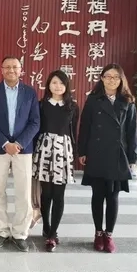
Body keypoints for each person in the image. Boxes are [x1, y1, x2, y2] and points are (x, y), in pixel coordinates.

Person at [78, 63, 137, 253]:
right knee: (97, 195)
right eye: (108, 76)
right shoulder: (93, 100)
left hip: (117, 154)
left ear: (121, 80)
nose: (111, 80)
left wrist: (132, 157)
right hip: (96, 152)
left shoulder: (127, 101)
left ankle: (109, 234)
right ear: (102, 78)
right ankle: (98, 233)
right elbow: (85, 127)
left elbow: (132, 131)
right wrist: (82, 151)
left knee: (113, 196)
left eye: (115, 77)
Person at [0, 56, 40, 252]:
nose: (11, 70)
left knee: (23, 191)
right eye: (7, 67)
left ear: (20, 69)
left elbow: (35, 122)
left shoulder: (29, 92)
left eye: (15, 67)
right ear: (1, 69)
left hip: (23, 149)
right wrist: (5, 143)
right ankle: (2, 231)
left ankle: (20, 233)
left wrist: (19, 143)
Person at [32, 70, 79, 252]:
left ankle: (53, 234)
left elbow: (74, 131)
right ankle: (46, 226)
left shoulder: (72, 106)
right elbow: (36, 129)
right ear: (48, 85)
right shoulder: (41, 104)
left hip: (63, 150)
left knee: (59, 195)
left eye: (61, 83)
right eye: (54, 82)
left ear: (66, 86)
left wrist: (75, 153)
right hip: (44, 149)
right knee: (46, 194)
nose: (57, 86)